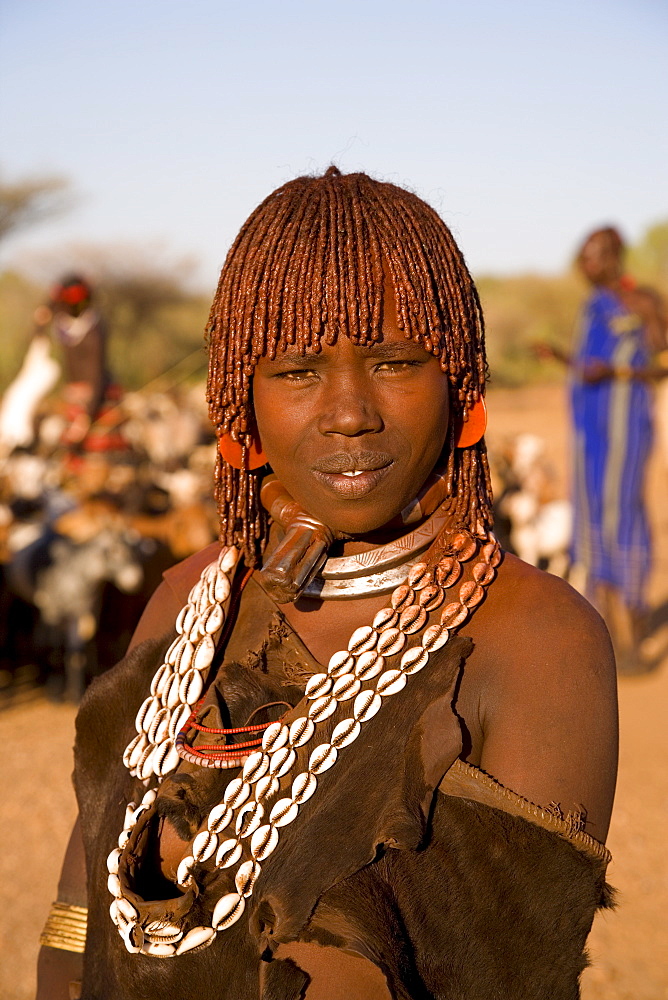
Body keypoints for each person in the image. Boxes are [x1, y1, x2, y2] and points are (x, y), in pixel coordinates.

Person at [37, 169, 617, 1000]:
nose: (350, 413)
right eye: (298, 372)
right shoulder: (187, 603)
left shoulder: (533, 641)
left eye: (394, 361)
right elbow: (77, 923)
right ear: (243, 401)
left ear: (461, 385)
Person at [544, 228, 667, 670]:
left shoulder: (644, 303)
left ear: (614, 257)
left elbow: (660, 366)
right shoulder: (589, 307)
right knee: (591, 518)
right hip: (588, 432)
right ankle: (608, 636)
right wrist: (560, 357)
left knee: (619, 516)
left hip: (625, 428)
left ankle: (632, 627)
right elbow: (586, 367)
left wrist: (615, 372)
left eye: (592, 257)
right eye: (581, 258)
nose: (584, 266)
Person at [33, 275, 126, 455]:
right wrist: (50, 300)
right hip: (75, 396)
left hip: (97, 396)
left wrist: (86, 416)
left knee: (95, 453)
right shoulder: (64, 322)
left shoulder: (94, 329)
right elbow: (41, 320)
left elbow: (96, 373)